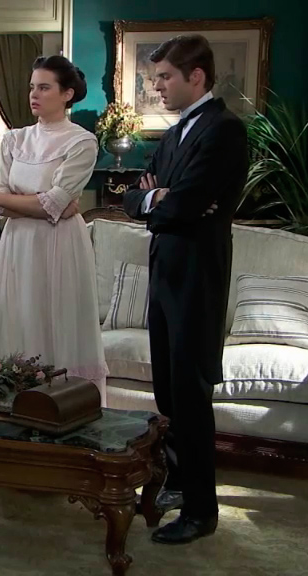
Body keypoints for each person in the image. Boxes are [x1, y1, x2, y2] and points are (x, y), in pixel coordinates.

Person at [121, 35, 248, 544]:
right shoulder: (174, 135)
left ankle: (201, 511)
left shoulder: (225, 130)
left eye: (165, 77)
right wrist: (158, 198)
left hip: (197, 278)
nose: (157, 87)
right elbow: (132, 197)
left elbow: (183, 204)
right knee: (169, 392)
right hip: (165, 275)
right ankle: (176, 483)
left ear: (196, 76)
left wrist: (161, 200)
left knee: (192, 396)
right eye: (155, 78)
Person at [0, 55, 108, 399]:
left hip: (59, 246)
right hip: (17, 244)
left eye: (44, 87)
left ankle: (65, 405)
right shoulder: (14, 140)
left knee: (56, 322)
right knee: (18, 319)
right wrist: (40, 203)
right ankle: (14, 403)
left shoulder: (81, 142)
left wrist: (19, 201)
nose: (34, 95)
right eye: (32, 87)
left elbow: (52, 203)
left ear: (67, 94)